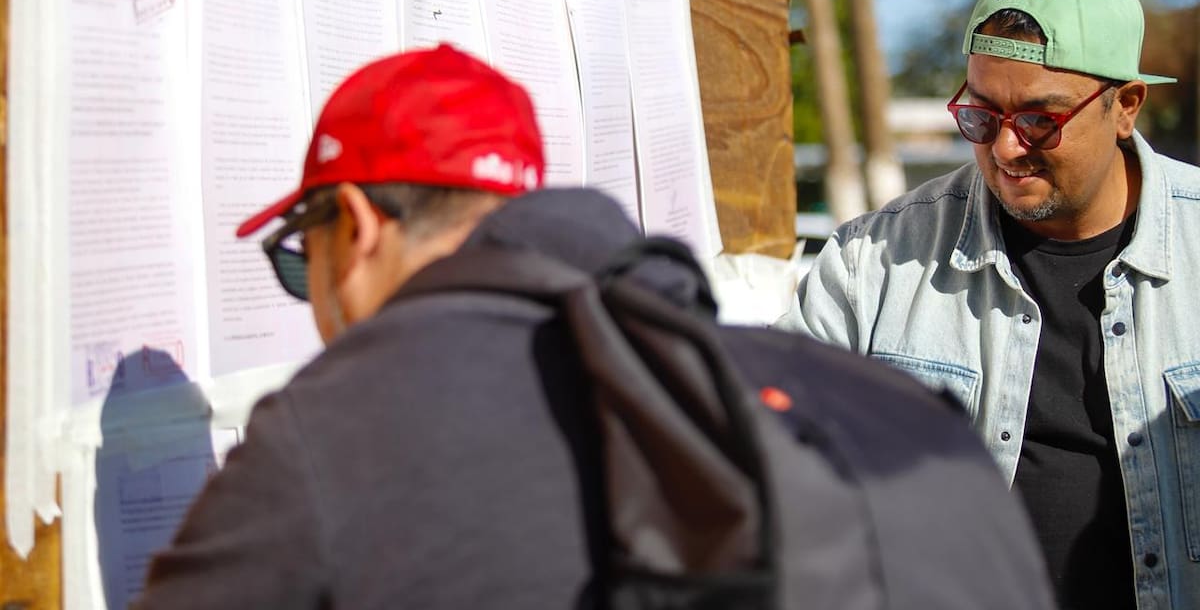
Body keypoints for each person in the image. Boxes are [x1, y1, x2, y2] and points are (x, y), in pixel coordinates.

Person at [136, 43, 1053, 609]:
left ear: (360, 226)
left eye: (304, 254)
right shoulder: (731, 366)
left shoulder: (332, 426)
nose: (315, 295)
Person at [780, 0, 1198, 609]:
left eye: (1040, 119)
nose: (1004, 148)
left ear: (1126, 107)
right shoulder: (872, 264)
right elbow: (777, 473)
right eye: (980, 114)